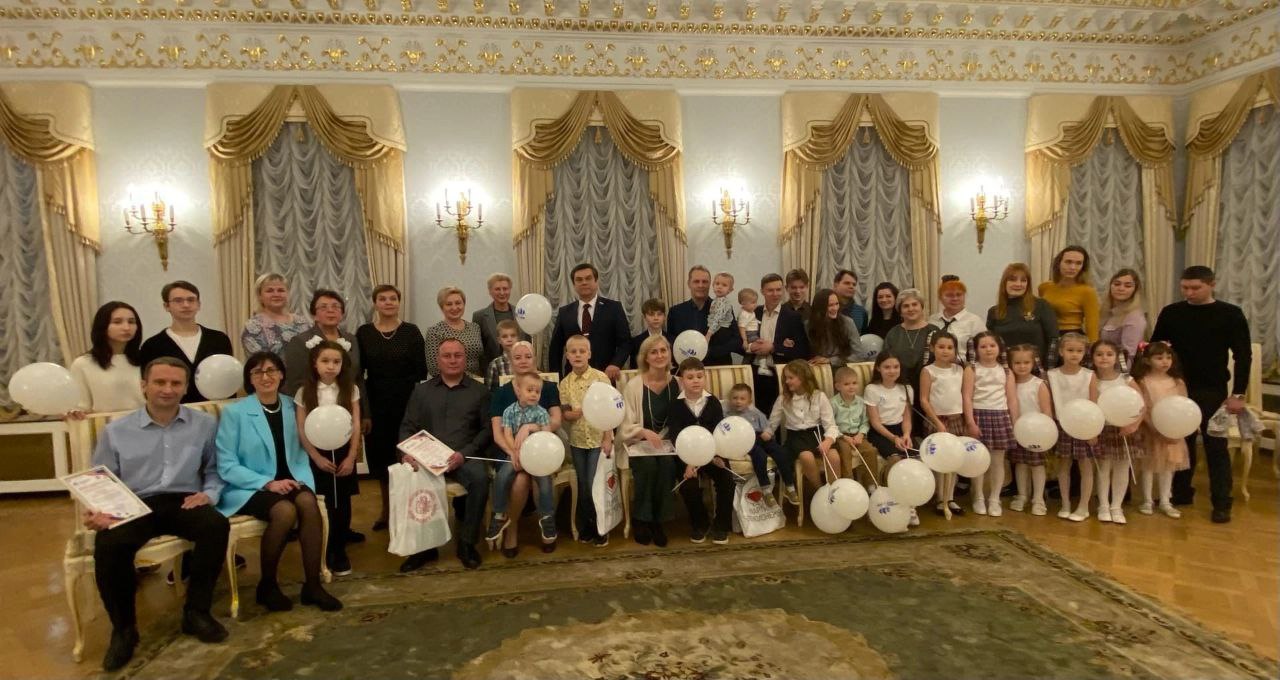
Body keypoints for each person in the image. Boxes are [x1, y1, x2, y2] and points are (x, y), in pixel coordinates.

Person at [87, 357, 228, 672]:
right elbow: (102, 479)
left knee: (215, 526)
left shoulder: (204, 424)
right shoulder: (116, 431)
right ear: (144, 386)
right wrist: (101, 511)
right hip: (135, 502)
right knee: (109, 544)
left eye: (176, 383)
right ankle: (124, 630)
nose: (168, 389)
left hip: (183, 499)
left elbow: (214, 469)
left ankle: (196, 612)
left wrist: (209, 494)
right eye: (160, 382)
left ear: (186, 387)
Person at [214, 352, 341, 613]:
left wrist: (298, 480)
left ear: (281, 374)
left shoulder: (293, 406)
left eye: (271, 370)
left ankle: (313, 586)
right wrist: (267, 483)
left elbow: (304, 448)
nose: (266, 377)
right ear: (250, 379)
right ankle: (268, 585)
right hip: (250, 486)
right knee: (285, 511)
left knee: (307, 502)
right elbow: (226, 464)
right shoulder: (235, 413)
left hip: (292, 479)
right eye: (258, 372)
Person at [1150, 265, 1252, 523]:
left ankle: (1222, 502)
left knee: (1215, 444)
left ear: (1211, 285)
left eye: (1195, 288)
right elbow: (1155, 348)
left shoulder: (1230, 314)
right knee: (1180, 440)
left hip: (1213, 388)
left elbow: (1243, 356)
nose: (1189, 293)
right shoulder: (1172, 312)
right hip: (1176, 386)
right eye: (1185, 287)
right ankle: (1181, 492)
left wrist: (1238, 393)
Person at [397, 338, 492, 571]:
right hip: (427, 458)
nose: (452, 360)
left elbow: (486, 430)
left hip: (464, 456)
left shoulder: (480, 391)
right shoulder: (421, 391)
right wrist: (407, 453)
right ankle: (425, 548)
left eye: (457, 355)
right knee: (413, 477)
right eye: (447, 356)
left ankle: (467, 543)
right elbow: (408, 426)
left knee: (480, 479)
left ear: (465, 359)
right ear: (437, 360)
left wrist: (464, 454)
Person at [356, 284, 427, 532]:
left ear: (399, 302)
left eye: (393, 298)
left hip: (407, 403)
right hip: (376, 403)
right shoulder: (364, 332)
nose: (388, 302)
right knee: (382, 461)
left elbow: (421, 372)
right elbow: (358, 374)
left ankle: (409, 510)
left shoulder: (411, 331)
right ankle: (387, 511)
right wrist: (365, 412)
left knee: (407, 458)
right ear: (375, 303)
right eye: (383, 299)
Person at [486, 341, 563, 556]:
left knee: (540, 474)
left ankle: (546, 522)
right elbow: (498, 433)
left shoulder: (547, 387)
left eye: (528, 356)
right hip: (510, 449)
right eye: (517, 357)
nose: (523, 361)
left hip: (542, 448)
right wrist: (514, 452)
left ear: (535, 359)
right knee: (520, 480)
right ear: (510, 361)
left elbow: (556, 421)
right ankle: (510, 529)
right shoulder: (502, 393)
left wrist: (530, 427)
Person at [294, 339, 361, 576]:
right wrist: (316, 457)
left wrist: (351, 456)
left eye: (336, 361)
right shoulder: (304, 392)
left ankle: (340, 548)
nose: (331, 366)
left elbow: (355, 424)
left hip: (344, 451)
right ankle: (327, 547)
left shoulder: (350, 389)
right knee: (324, 502)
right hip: (318, 452)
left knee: (343, 501)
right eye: (325, 361)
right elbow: (301, 428)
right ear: (315, 363)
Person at [619, 335, 680, 546]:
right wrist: (643, 432)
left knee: (667, 465)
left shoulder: (678, 383)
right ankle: (641, 519)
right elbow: (625, 423)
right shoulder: (634, 386)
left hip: (668, 445)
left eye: (664, 350)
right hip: (638, 442)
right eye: (654, 352)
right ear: (645, 357)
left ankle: (658, 521)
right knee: (647, 466)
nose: (660, 355)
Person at [667, 358, 735, 544]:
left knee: (727, 480)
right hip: (686, 456)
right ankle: (700, 523)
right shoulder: (675, 405)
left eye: (699, 376)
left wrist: (717, 455)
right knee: (688, 485)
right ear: (682, 380)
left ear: (705, 378)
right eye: (690, 377)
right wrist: (689, 462)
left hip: (713, 453)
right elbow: (675, 436)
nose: (695, 381)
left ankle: (721, 525)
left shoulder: (713, 402)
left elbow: (719, 432)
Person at [281, 289, 370, 431]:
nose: (330, 311)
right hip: (314, 413)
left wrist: (365, 413)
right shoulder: (300, 342)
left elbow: (358, 378)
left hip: (349, 408)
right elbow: (295, 383)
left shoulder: (351, 339)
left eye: (335, 306)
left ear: (342, 313)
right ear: (314, 315)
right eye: (323, 307)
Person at [558, 335, 615, 547]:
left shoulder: (601, 378)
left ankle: (601, 527)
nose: (578, 355)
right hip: (578, 442)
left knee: (594, 484)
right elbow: (565, 413)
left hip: (599, 440)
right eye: (573, 352)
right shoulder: (565, 383)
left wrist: (608, 437)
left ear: (589, 354)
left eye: (582, 351)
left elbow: (610, 410)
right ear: (567, 356)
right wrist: (575, 413)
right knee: (583, 484)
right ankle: (587, 525)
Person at [139, 281, 234, 403]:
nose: (186, 305)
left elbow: (229, 377)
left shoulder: (219, 339)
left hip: (216, 406)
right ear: (166, 306)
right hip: (173, 409)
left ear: (198, 304)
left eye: (191, 300)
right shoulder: (152, 345)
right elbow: (150, 387)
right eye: (178, 300)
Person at [962, 332, 1018, 518]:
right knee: (978, 460)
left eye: (992, 346)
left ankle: (994, 498)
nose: (988, 350)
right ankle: (978, 496)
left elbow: (1012, 399)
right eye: (983, 346)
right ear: (976, 350)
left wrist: (1015, 422)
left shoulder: (1006, 371)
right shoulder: (971, 369)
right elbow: (967, 397)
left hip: (1000, 416)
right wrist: (970, 422)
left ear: (999, 348)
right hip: (979, 415)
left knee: (998, 461)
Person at [1131, 341, 1190, 519]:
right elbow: (1143, 407)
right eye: (1159, 358)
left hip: (1172, 430)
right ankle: (1147, 500)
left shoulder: (1177, 382)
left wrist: (1177, 428)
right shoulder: (1143, 382)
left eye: (1168, 357)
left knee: (1168, 465)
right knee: (1149, 465)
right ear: (1147, 360)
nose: (1165, 361)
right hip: (1150, 430)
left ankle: (1165, 500)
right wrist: (1153, 427)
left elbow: (1184, 406)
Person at [497, 374, 554, 554]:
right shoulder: (509, 411)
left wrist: (532, 427)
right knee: (502, 476)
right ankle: (499, 514)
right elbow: (507, 434)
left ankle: (547, 517)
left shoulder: (541, 412)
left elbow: (547, 433)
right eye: (529, 390)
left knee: (544, 481)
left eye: (537, 391)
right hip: (517, 454)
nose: (534, 394)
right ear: (518, 391)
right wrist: (514, 451)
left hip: (537, 457)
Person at [1091, 339, 1145, 525]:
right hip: (1102, 429)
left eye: (1109, 354)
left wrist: (1134, 425)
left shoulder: (1126, 380)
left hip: (1124, 429)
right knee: (1103, 468)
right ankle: (1103, 505)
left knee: (1122, 468)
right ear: (1092, 357)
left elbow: (1142, 405)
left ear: (1116, 357)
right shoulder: (1092, 379)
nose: (1104, 358)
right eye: (1099, 354)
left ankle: (1116, 506)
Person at [1047, 333, 1099, 522]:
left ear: (1084, 353)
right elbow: (1050, 401)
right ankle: (1065, 503)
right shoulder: (1052, 375)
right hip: (1062, 425)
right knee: (1064, 464)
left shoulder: (1089, 375)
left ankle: (1083, 506)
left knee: (1085, 465)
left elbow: (1094, 403)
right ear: (1061, 351)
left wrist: (1093, 429)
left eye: (1079, 351)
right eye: (1070, 350)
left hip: (1084, 425)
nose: (1074, 354)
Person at [863, 351, 918, 526]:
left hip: (901, 430)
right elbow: (875, 422)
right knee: (895, 460)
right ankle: (893, 501)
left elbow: (907, 417)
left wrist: (906, 434)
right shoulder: (872, 389)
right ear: (878, 368)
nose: (892, 371)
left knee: (914, 462)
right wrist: (894, 438)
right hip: (881, 432)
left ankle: (910, 504)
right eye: (887, 367)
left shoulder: (906, 389)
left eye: (896, 367)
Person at [549, 263, 631, 379]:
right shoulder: (565, 312)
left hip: (606, 376)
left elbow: (625, 343)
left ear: (596, 281)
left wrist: (616, 364)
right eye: (579, 280)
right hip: (573, 378)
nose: (584, 282)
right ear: (574, 284)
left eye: (588, 278)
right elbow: (555, 349)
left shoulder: (613, 308)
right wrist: (557, 379)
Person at [769, 360, 840, 492]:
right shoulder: (783, 399)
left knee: (834, 456)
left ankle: (834, 492)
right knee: (807, 457)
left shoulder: (819, 396)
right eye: (785, 378)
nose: (787, 381)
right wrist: (767, 435)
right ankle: (820, 491)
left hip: (817, 433)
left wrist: (828, 441)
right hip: (796, 437)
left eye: (790, 378)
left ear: (803, 377)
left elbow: (830, 424)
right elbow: (772, 423)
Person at [69, 302, 145, 416]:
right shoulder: (83, 363)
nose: (126, 327)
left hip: (144, 422)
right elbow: (80, 406)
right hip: (105, 423)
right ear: (103, 326)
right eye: (117, 322)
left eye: (131, 322)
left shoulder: (146, 358)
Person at [748, 274, 810, 413]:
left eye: (778, 290)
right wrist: (751, 347)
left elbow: (802, 350)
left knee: (779, 414)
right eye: (770, 290)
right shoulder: (753, 313)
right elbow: (741, 341)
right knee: (756, 413)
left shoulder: (793, 317)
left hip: (780, 374)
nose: (775, 294)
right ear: (762, 291)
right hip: (754, 372)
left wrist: (774, 347)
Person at [920, 332, 965, 517]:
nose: (945, 351)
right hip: (937, 421)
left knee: (954, 460)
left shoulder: (960, 370)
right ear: (932, 348)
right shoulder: (928, 371)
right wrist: (937, 422)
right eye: (941, 347)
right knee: (939, 460)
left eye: (949, 347)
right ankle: (940, 498)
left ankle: (950, 497)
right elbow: (924, 400)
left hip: (956, 420)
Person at [725, 382, 795, 496]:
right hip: (746, 440)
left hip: (760, 436)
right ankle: (765, 488)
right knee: (760, 455)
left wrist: (767, 433)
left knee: (780, 452)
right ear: (730, 399)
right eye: (735, 398)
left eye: (742, 399)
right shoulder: (728, 414)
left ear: (749, 401)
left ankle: (790, 485)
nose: (738, 401)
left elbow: (767, 426)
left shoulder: (755, 412)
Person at [1007, 344, 1053, 516]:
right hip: (1018, 431)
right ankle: (1022, 495)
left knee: (1037, 466)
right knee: (1021, 464)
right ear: (1011, 364)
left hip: (1037, 433)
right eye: (1017, 363)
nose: (1022, 366)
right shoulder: (1009, 384)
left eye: (1026, 362)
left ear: (1033, 363)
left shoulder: (1039, 384)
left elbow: (1047, 410)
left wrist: (1046, 433)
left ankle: (1038, 499)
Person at [666, 266, 741, 367]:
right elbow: (671, 342)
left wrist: (708, 352)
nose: (700, 285)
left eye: (705, 282)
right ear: (689, 284)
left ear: (710, 284)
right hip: (687, 370)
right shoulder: (675, 312)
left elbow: (737, 340)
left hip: (718, 367)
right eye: (696, 281)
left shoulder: (725, 308)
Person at [987, 263, 1059, 369]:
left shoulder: (1041, 305)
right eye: (1013, 279)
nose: (1018, 284)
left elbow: (1054, 339)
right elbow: (991, 344)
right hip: (1005, 370)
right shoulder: (994, 312)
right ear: (1004, 283)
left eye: (1023, 280)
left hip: (1036, 369)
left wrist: (1049, 369)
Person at [1038, 246, 1100, 341]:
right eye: (1068, 262)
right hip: (1046, 335)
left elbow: (1092, 327)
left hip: (1071, 338)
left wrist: (1093, 347)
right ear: (1059, 263)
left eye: (1078, 263)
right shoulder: (1044, 287)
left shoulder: (1087, 291)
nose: (1072, 267)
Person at [240, 273, 311, 356]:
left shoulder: (302, 322)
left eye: (281, 290)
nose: (276, 294)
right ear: (260, 296)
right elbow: (259, 361)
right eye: (269, 291)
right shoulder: (253, 327)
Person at [423, 287, 484, 377]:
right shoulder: (435, 332)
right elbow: (434, 368)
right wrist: (470, 378)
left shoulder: (475, 327)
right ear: (442, 307)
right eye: (449, 304)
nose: (454, 307)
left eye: (458, 303)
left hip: (477, 381)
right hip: (449, 383)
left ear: (464, 304)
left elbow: (481, 359)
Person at [883, 288, 939, 386]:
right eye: (906, 306)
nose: (911, 309)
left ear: (921, 307)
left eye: (914, 304)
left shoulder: (934, 331)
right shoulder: (893, 333)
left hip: (930, 385)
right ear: (900, 311)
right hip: (899, 386)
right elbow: (885, 361)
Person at [474, 273, 530, 369]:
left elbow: (527, 343)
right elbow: (479, 351)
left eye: (505, 289)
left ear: (510, 290)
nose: (502, 292)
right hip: (492, 370)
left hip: (521, 369)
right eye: (497, 289)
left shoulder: (522, 313)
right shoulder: (479, 316)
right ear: (490, 291)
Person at [807, 288, 875, 367]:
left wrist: (831, 360)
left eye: (837, 304)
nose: (835, 308)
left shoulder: (847, 322)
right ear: (820, 307)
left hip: (842, 368)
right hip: (819, 368)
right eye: (830, 305)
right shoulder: (809, 324)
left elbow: (858, 355)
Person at [830, 367, 875, 482]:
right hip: (841, 436)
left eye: (854, 383)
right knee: (845, 450)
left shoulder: (861, 402)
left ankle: (871, 483)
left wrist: (861, 434)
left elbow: (865, 422)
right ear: (838, 386)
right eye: (846, 384)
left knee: (871, 451)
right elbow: (831, 425)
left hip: (857, 435)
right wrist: (844, 437)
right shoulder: (833, 403)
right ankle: (849, 481)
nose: (851, 386)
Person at [929, 276, 987, 358]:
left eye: (959, 295)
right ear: (940, 298)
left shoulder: (975, 321)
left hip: (965, 365)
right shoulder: (932, 320)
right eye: (949, 295)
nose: (955, 298)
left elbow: (984, 351)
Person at [1099, 268, 1147, 366]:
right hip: (1103, 366)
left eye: (1127, 286)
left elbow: (1128, 355)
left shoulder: (1134, 317)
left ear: (1135, 290)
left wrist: (1119, 374)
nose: (1121, 288)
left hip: (1119, 369)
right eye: (1117, 284)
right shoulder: (1107, 312)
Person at [631, 298, 670, 369]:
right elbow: (635, 368)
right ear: (644, 317)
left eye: (659, 314)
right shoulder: (636, 342)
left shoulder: (672, 340)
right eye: (651, 314)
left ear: (664, 316)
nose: (656, 318)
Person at [484, 320, 522, 391]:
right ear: (499, 340)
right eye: (505, 336)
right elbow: (489, 392)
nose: (509, 339)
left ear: (518, 338)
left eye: (513, 335)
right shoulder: (495, 365)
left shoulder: (526, 361)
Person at [736, 288, 760, 353]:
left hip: (754, 332)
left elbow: (751, 320)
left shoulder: (750, 311)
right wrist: (745, 340)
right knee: (758, 346)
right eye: (753, 302)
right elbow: (741, 327)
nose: (755, 304)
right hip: (749, 334)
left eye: (756, 302)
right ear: (743, 303)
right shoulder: (744, 314)